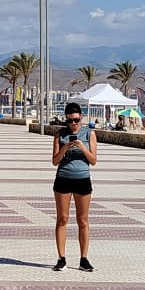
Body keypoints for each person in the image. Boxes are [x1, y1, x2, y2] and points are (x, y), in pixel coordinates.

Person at [50, 101, 96, 271]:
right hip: (63, 179)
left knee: (82, 220)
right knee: (62, 219)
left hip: (82, 179)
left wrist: (82, 147)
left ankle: (84, 258)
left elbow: (93, 160)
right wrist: (65, 148)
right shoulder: (59, 135)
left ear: (81, 117)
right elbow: (54, 161)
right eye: (69, 121)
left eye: (76, 120)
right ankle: (61, 258)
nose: (73, 124)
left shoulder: (90, 134)